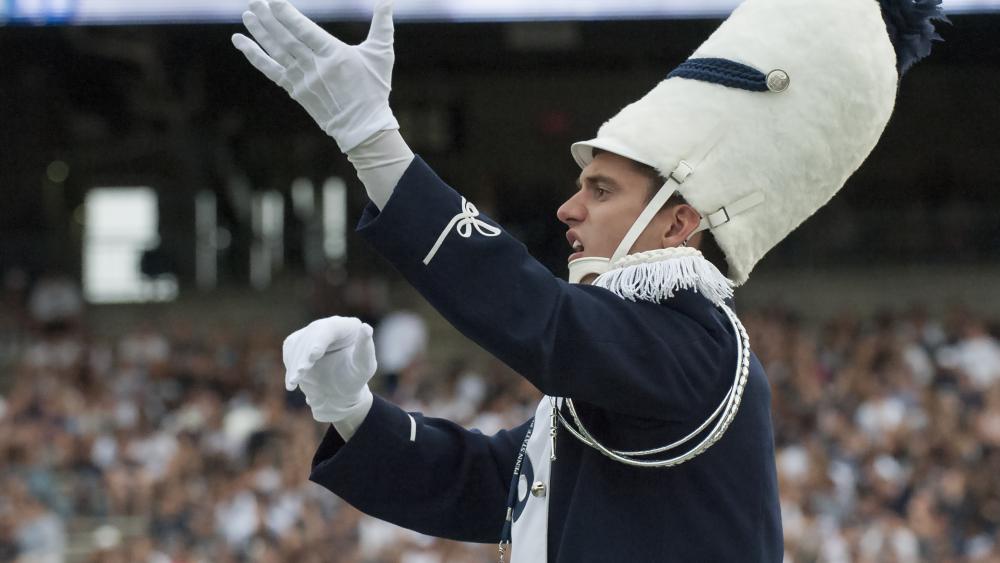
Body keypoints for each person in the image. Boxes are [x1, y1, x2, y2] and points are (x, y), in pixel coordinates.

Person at [232, 0, 944, 560]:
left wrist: (374, 144)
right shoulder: (636, 368)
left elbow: (543, 319)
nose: (568, 208)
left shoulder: (699, 345)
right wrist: (348, 406)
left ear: (676, 224)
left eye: (601, 190)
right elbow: (482, 481)